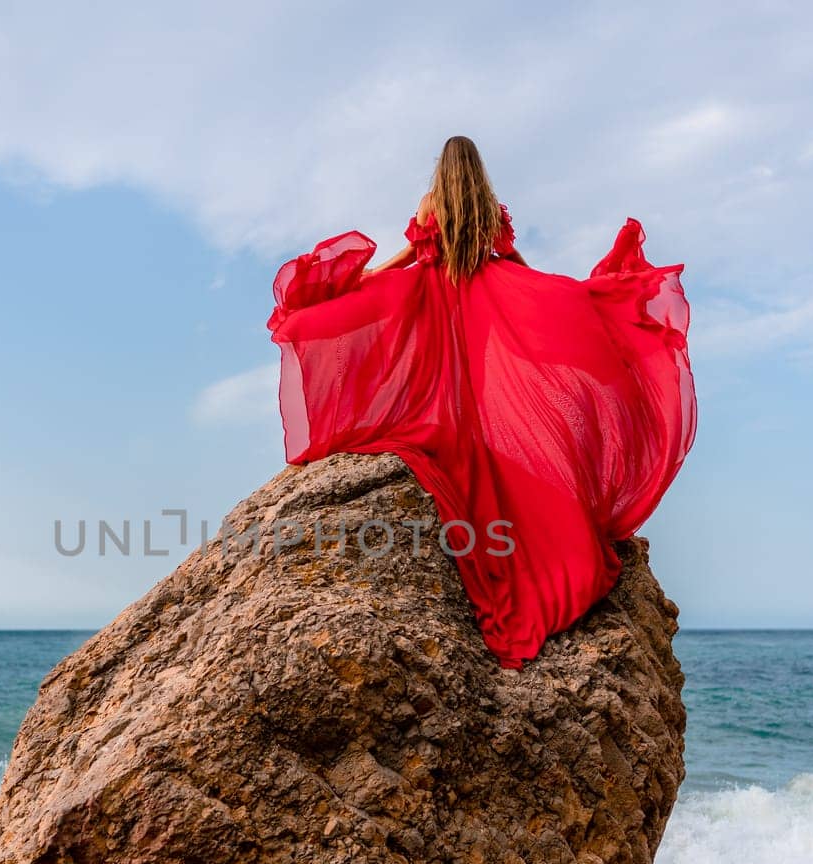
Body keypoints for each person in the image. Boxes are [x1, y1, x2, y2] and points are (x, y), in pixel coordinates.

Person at [267, 135, 695, 668]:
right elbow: (510, 256)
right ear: (477, 170)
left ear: (442, 169)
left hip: (434, 299)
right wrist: (542, 296)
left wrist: (370, 278)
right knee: (484, 395)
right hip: (486, 300)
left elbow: (410, 257)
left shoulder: (431, 205)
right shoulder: (488, 208)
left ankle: (463, 444)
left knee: (439, 389)